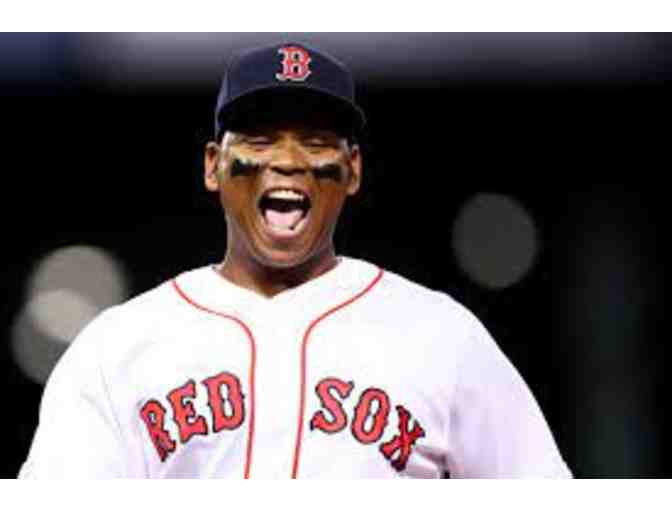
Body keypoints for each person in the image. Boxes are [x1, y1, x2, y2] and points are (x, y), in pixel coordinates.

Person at [19, 42, 571, 479]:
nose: (287, 161)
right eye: (259, 139)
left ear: (353, 170)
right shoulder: (116, 348)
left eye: (316, 141)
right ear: (213, 166)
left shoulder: (442, 337)